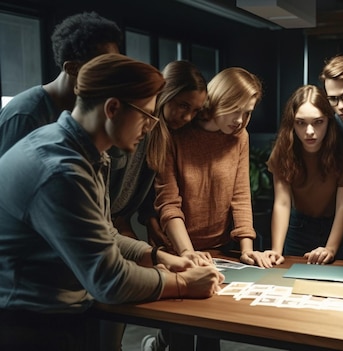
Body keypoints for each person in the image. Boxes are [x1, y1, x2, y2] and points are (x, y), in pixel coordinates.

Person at [0, 53, 224, 350]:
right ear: (113, 108)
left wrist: (158, 257)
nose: (150, 126)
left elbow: (104, 234)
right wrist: (183, 284)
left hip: (56, 315)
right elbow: (110, 280)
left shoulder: (85, 153)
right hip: (30, 325)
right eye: (146, 114)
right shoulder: (62, 170)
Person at [154, 67, 274, 268]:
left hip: (221, 250)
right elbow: (169, 203)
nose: (239, 121)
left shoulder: (240, 137)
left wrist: (247, 250)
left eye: (247, 113)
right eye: (235, 110)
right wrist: (187, 252)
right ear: (220, 99)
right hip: (177, 250)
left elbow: (241, 196)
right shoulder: (176, 132)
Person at [265, 85, 343, 264]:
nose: (310, 131)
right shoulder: (283, 150)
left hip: (337, 231)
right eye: (301, 122)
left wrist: (330, 248)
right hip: (299, 229)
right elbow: (282, 203)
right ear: (292, 122)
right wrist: (276, 250)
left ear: (329, 120)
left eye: (318, 122)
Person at [109, 60, 207, 241]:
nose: (187, 117)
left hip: (118, 224)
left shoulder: (168, 136)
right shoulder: (134, 130)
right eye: (183, 105)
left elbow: (145, 188)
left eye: (195, 111)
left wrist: (148, 218)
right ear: (165, 94)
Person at [0, 11, 122, 156]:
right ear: (72, 68)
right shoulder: (25, 114)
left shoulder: (89, 109)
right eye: (104, 66)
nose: (113, 74)